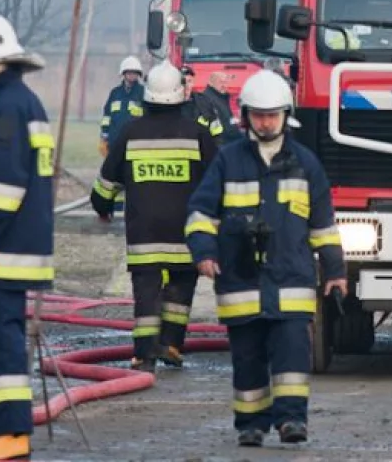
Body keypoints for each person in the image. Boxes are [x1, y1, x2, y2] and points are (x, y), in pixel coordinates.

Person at [184, 69, 347, 447]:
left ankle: (292, 421)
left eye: (272, 114)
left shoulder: (306, 164)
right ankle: (251, 424)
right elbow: (199, 214)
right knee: (248, 360)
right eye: (258, 114)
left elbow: (324, 225)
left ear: (285, 115)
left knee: (292, 357)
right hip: (240, 282)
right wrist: (204, 254)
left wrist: (336, 271)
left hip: (291, 281)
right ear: (245, 116)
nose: (266, 121)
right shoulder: (227, 161)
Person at [90, 61, 218, 372]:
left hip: (144, 235)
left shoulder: (131, 132)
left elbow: (107, 181)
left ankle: (143, 355)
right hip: (185, 234)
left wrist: (102, 207)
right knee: (181, 288)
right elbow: (216, 181)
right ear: (181, 95)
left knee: (146, 294)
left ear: (147, 95)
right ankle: (172, 344)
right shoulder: (198, 134)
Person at [0, 12, 55, 460]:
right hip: (10, 249)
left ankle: (10, 431)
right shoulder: (15, 100)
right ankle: (0, 429)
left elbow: (4, 184)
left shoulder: (5, 105)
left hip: (3, 251)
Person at [99, 55, 145, 157]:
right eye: (129, 72)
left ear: (138, 74)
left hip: (134, 143)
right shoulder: (115, 93)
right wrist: (104, 135)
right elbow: (107, 116)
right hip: (114, 141)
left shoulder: (143, 93)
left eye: (135, 73)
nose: (132, 75)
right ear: (123, 73)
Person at [181, 65, 225, 143]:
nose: (186, 86)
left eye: (189, 81)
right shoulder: (169, 104)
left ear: (193, 83)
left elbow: (217, 132)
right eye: (183, 82)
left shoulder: (204, 102)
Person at [202, 71, 242, 143]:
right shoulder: (209, 99)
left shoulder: (220, 98)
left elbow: (228, 120)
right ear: (211, 83)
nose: (224, 85)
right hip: (220, 143)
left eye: (225, 82)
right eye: (221, 82)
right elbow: (223, 126)